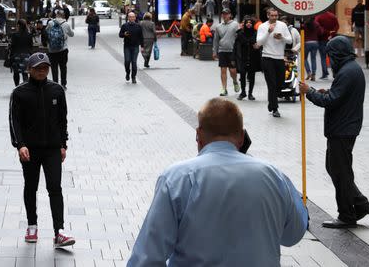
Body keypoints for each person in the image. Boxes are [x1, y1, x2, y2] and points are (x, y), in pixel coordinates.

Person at [128, 98, 307, 265]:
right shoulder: (273, 175)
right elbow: (293, 234)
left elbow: (147, 257)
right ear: (242, 137)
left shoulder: (177, 178)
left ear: (198, 134)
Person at [299, 36, 369, 228]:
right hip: (344, 127)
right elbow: (337, 96)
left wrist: (310, 92)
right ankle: (361, 204)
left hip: (342, 129)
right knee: (336, 169)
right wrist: (324, 92)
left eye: (331, 55)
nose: (329, 59)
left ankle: (347, 215)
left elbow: (331, 101)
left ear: (338, 54)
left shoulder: (348, 72)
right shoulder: (350, 69)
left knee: (341, 172)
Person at [9, 52, 75, 248]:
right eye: (38, 68)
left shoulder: (56, 90)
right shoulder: (19, 93)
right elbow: (14, 122)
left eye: (45, 68)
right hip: (29, 150)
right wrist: (20, 145)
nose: (42, 71)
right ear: (29, 69)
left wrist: (63, 144)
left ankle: (59, 231)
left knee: (55, 188)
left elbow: (62, 119)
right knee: (31, 187)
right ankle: (32, 225)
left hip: (53, 149)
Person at [255, 7, 292, 118]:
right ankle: (275, 108)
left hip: (279, 58)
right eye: (272, 15)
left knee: (280, 84)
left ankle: (271, 103)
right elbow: (259, 43)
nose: (274, 18)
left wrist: (282, 38)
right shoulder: (262, 26)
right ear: (268, 16)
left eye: (276, 16)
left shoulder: (282, 25)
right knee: (272, 84)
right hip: (267, 57)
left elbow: (290, 40)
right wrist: (268, 32)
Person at [213, 8, 239, 97]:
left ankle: (235, 81)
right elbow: (216, 40)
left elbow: (239, 36)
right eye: (223, 14)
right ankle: (224, 88)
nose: (225, 15)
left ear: (230, 15)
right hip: (222, 50)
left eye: (227, 14)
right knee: (223, 70)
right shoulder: (218, 26)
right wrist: (214, 51)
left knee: (232, 70)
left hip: (232, 51)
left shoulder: (235, 24)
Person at [234, 16, 260, 101]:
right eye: (247, 22)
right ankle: (243, 92)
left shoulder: (256, 33)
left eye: (250, 23)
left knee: (252, 76)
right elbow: (235, 46)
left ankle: (250, 93)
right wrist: (233, 58)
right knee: (242, 75)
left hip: (253, 58)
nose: (249, 24)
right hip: (242, 58)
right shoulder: (240, 33)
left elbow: (259, 44)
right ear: (244, 24)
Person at [46, 10, 74, 89]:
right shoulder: (66, 24)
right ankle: (63, 84)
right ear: (63, 15)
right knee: (63, 67)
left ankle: (55, 84)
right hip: (63, 49)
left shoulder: (50, 23)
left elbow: (46, 32)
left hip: (52, 50)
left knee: (54, 67)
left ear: (56, 15)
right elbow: (72, 34)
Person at [119, 11, 144, 83]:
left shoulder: (138, 26)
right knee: (127, 61)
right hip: (127, 46)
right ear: (128, 18)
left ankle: (133, 77)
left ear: (135, 18)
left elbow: (141, 37)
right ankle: (127, 72)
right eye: (130, 17)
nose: (131, 18)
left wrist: (142, 46)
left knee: (134, 62)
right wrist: (124, 34)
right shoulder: (124, 26)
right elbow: (120, 35)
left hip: (135, 46)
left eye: (133, 17)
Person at [9, 19, 34, 86]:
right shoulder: (29, 35)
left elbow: (12, 46)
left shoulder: (15, 35)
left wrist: (11, 56)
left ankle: (17, 86)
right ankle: (25, 87)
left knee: (16, 73)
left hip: (16, 55)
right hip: (26, 56)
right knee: (25, 73)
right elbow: (31, 46)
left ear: (18, 25)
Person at [316, 9, 339, 80]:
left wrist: (324, 32)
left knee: (323, 57)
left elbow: (317, 27)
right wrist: (332, 34)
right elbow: (337, 26)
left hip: (322, 39)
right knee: (332, 56)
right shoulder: (332, 16)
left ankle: (325, 73)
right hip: (331, 39)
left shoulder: (319, 17)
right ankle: (335, 72)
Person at [303, 16, 321, 81]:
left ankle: (309, 72)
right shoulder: (317, 24)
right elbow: (320, 32)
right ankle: (314, 74)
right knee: (313, 59)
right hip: (315, 42)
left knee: (304, 58)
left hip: (307, 42)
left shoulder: (305, 24)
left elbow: (301, 32)